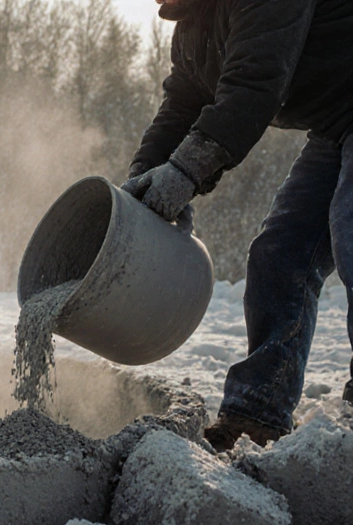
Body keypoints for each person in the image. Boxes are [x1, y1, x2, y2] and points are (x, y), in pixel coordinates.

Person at [122, 0, 353, 452]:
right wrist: (145, 180)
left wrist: (185, 173)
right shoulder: (191, 28)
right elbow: (182, 105)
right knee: (279, 256)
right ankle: (257, 412)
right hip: (337, 121)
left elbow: (252, 87)